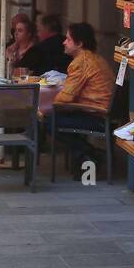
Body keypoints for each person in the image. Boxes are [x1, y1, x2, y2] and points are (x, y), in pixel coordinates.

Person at [51, 21, 114, 180]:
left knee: (47, 121)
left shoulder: (80, 62)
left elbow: (65, 98)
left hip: (95, 115)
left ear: (79, 43)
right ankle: (86, 157)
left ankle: (90, 154)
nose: (64, 42)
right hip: (101, 113)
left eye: (68, 39)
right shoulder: (96, 58)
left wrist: (48, 104)